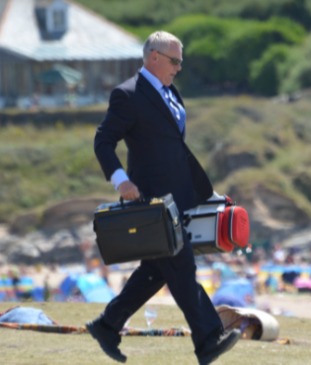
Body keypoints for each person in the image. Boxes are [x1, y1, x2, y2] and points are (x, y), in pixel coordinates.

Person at [86, 30, 240, 364]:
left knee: (156, 271)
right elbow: (103, 142)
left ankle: (107, 325)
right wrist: (121, 181)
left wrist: (207, 194)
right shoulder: (127, 95)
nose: (179, 68)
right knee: (182, 267)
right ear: (153, 57)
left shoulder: (172, 93)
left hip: (180, 200)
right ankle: (209, 340)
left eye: (181, 62)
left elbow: (176, 151)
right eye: (175, 61)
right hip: (152, 205)